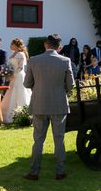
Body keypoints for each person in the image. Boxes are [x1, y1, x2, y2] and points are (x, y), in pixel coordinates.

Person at [22, 34, 74, 181]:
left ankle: (34, 172)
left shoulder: (34, 60)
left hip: (39, 103)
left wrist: (38, 88)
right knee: (59, 139)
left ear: (46, 44)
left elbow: (26, 84)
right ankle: (60, 171)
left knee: (38, 139)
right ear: (59, 46)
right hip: (58, 103)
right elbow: (71, 85)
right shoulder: (65, 61)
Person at [0, 38, 32, 124]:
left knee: (19, 93)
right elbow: (9, 66)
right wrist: (6, 73)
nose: (10, 45)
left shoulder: (21, 54)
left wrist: (13, 74)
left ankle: (21, 114)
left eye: (12, 44)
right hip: (12, 77)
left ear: (16, 45)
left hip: (19, 76)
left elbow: (21, 67)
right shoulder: (12, 54)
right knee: (11, 93)